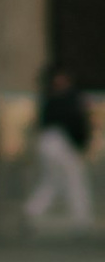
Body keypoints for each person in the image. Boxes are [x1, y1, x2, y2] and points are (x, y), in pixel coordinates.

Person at [29, 64, 95, 230]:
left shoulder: (53, 97)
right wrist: (81, 143)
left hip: (53, 141)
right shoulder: (68, 97)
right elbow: (77, 123)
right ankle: (82, 220)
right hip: (60, 142)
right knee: (73, 180)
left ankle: (31, 211)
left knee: (55, 181)